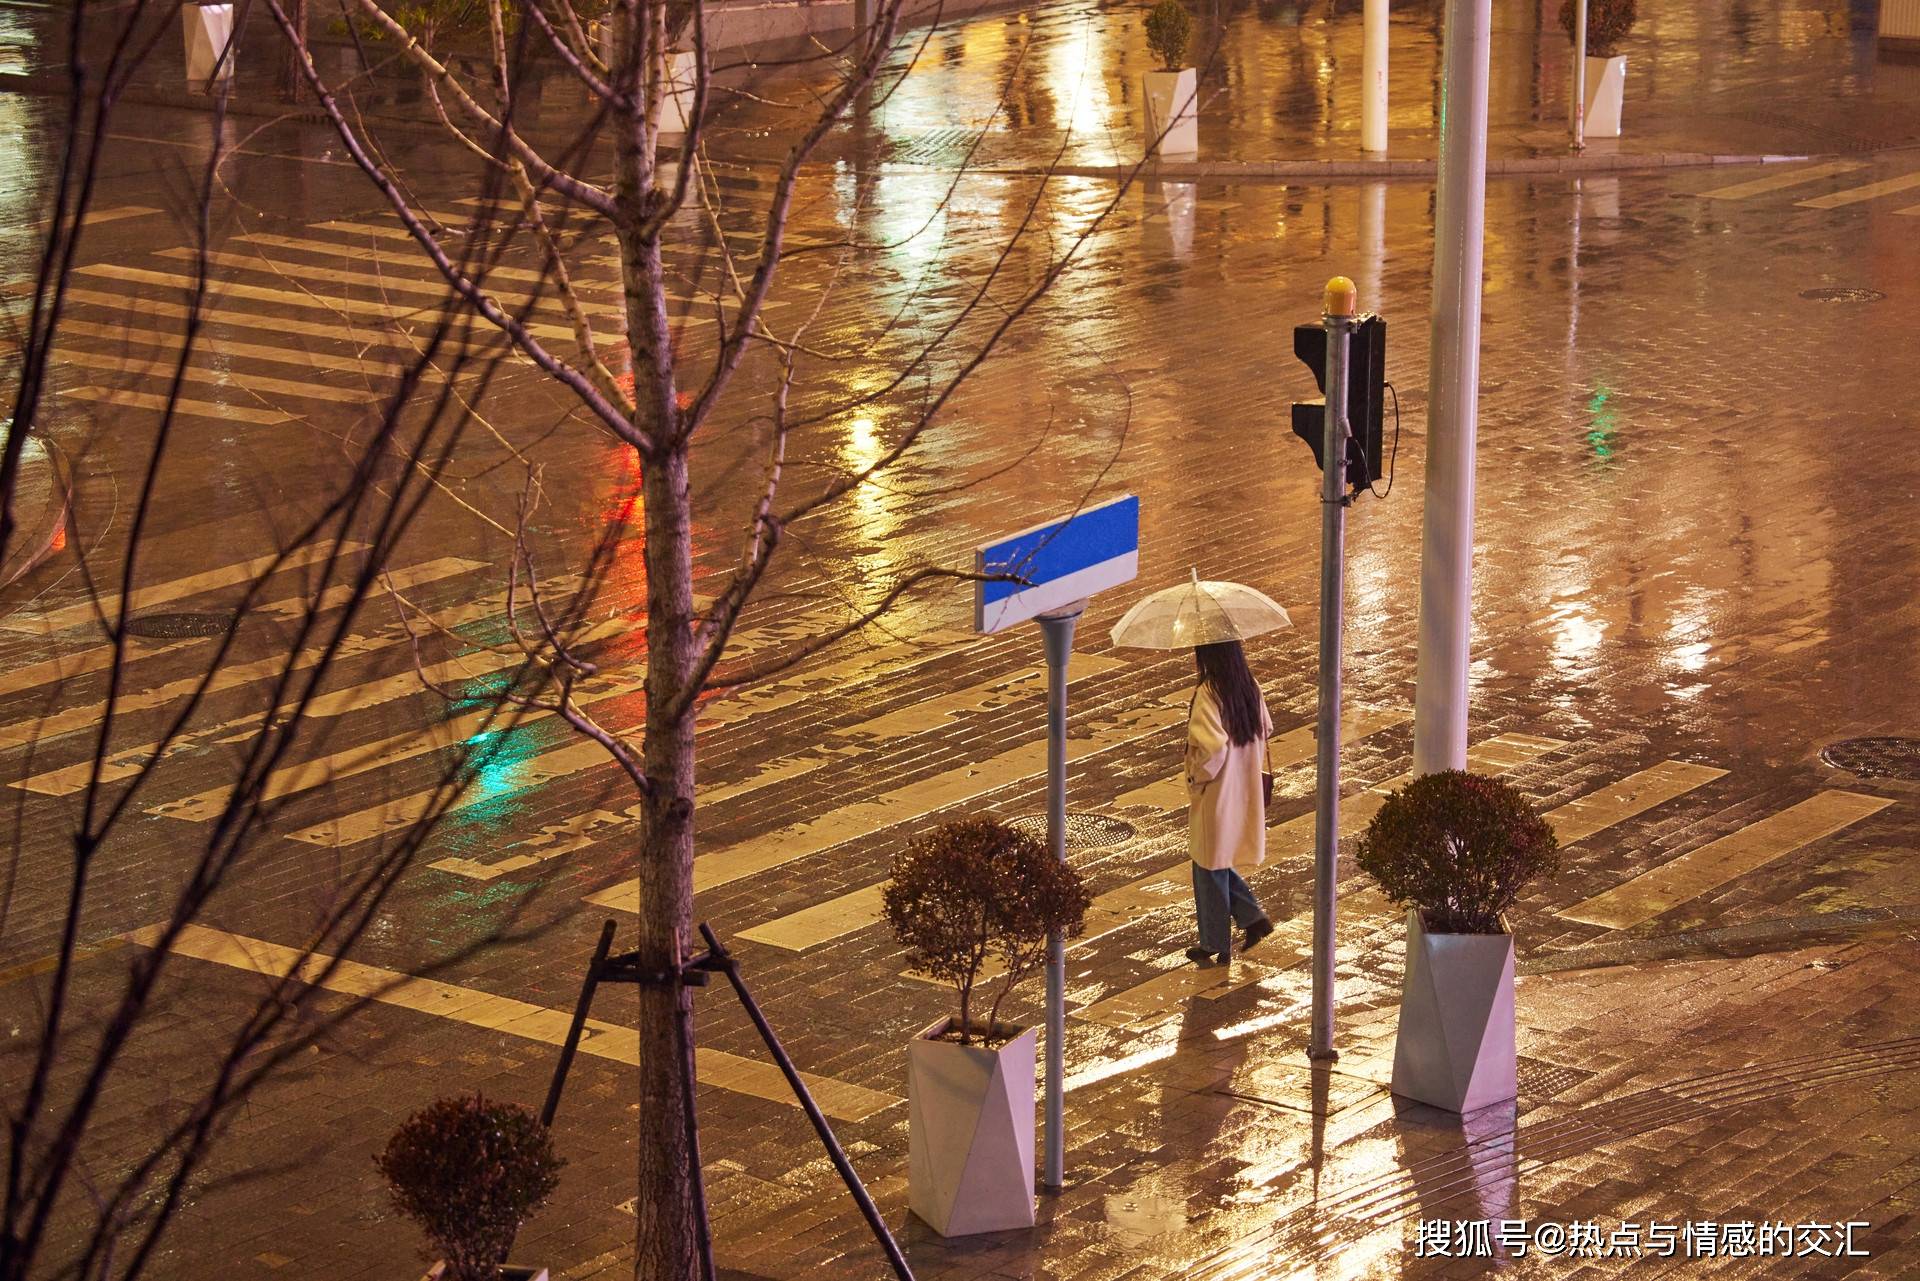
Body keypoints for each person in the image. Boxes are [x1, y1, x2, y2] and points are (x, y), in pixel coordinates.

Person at [1184, 639, 1274, 966]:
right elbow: (1266, 727)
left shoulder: (1209, 692)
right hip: (1243, 787)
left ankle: (1215, 942)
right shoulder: (1249, 685)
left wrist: (1196, 775)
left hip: (1217, 793)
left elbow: (1213, 749)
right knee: (1216, 861)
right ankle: (1252, 919)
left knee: (1207, 865)